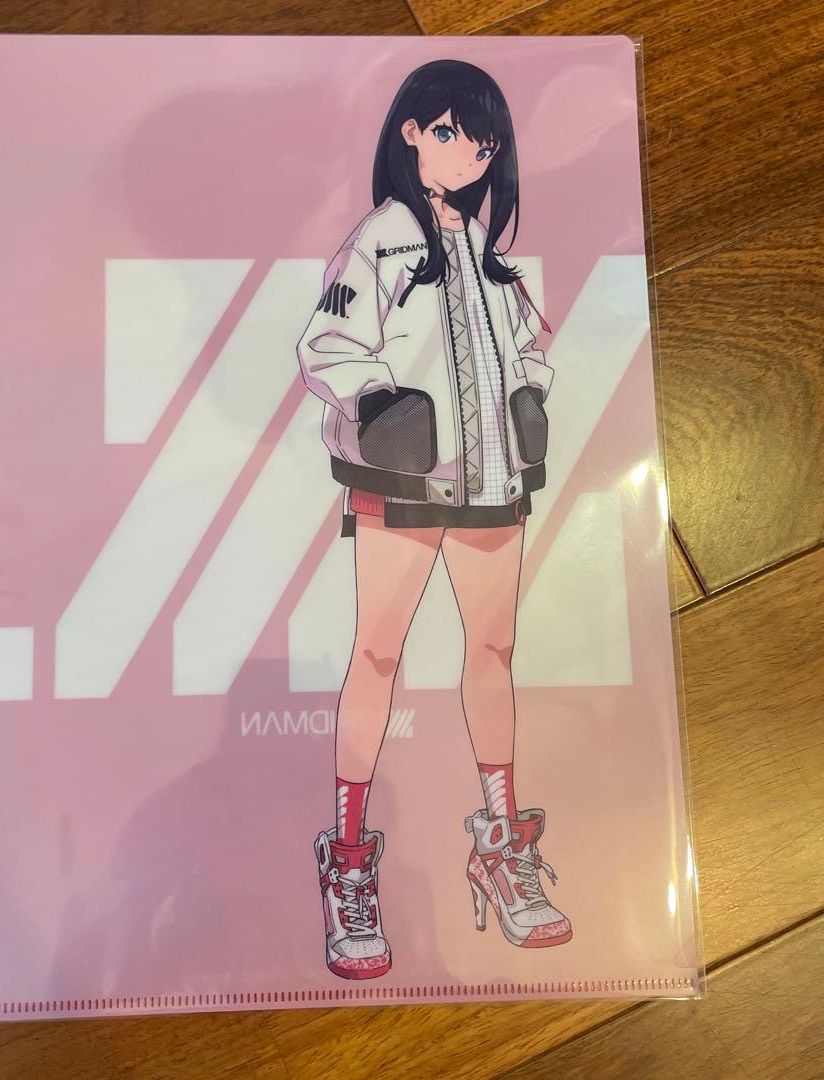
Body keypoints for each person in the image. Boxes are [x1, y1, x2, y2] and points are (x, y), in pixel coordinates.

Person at [297, 59, 572, 980]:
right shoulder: (381, 239)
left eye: (484, 144)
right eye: (452, 133)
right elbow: (328, 344)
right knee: (377, 653)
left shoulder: (490, 254)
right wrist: (383, 406)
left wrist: (529, 398)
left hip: (495, 482)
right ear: (412, 130)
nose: (468, 156)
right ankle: (348, 859)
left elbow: (531, 347)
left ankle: (500, 844)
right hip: (405, 480)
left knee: (493, 652)